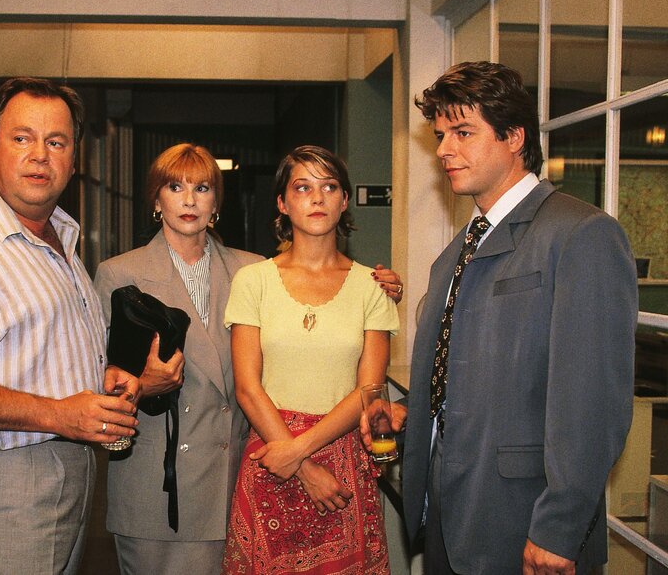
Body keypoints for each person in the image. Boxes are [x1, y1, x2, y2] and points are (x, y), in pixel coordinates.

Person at [0, 77, 170, 575]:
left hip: (66, 468)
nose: (40, 155)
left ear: (73, 158)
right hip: (4, 476)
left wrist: (102, 379)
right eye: (22, 138)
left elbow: (39, 351)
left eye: (56, 142)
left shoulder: (58, 235)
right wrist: (59, 414)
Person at [373, 61, 637, 574]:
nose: (444, 149)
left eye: (463, 132)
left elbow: (593, 403)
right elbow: (469, 376)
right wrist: (411, 420)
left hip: (525, 524)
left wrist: (559, 528)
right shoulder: (456, 252)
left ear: (514, 137)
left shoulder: (581, 234)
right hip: (447, 515)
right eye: (441, 135)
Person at [93, 143, 404, 574]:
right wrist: (145, 384)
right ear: (156, 199)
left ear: (217, 203)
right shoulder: (121, 274)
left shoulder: (247, 268)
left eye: (202, 188)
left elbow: (361, 379)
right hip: (168, 480)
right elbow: (101, 379)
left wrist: (382, 290)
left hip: (244, 465)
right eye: (175, 187)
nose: (189, 200)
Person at [221, 145, 400, 574]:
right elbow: (247, 387)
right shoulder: (252, 281)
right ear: (283, 203)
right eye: (302, 187)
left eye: (329, 187)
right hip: (271, 452)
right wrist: (301, 466)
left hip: (342, 462)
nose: (317, 198)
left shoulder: (373, 286)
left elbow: (369, 389)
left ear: (344, 200)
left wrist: (298, 452)